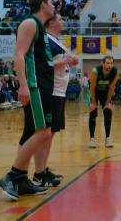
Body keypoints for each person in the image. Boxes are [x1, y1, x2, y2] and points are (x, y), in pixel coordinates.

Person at [0, 0, 64, 201]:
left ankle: (22, 180)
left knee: (32, 132)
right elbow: (19, 54)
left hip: (44, 85)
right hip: (35, 86)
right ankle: (13, 175)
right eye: (51, 3)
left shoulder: (41, 27)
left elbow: (42, 61)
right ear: (43, 4)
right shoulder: (29, 23)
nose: (54, 6)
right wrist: (23, 84)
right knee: (44, 132)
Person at [44, 15, 75, 187]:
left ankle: (43, 169)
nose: (64, 22)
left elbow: (60, 63)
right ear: (51, 22)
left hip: (60, 92)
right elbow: (45, 64)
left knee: (52, 133)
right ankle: (40, 172)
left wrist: (70, 61)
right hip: (52, 91)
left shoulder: (57, 41)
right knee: (46, 134)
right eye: (61, 19)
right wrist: (66, 60)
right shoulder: (47, 40)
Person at [88, 56, 120, 148]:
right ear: (102, 63)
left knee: (108, 111)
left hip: (106, 93)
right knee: (93, 112)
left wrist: (107, 103)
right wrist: (94, 103)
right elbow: (92, 87)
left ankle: (108, 138)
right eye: (107, 63)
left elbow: (111, 88)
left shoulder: (115, 72)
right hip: (95, 93)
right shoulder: (95, 71)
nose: (109, 65)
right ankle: (92, 139)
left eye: (111, 63)